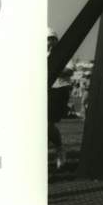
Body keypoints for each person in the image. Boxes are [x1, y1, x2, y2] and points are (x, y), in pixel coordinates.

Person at [47, 29, 70, 169]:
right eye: (47, 39)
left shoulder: (63, 52)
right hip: (43, 91)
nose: (49, 42)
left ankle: (60, 149)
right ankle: (59, 148)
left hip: (58, 91)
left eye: (52, 38)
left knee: (47, 124)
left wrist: (53, 69)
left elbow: (70, 70)